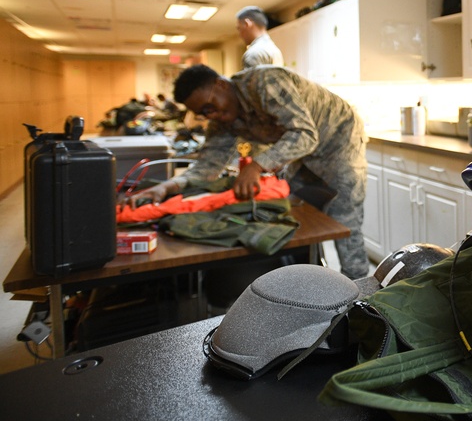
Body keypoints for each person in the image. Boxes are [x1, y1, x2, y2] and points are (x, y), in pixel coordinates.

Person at [125, 64, 369, 279]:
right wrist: (167, 186)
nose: (211, 116)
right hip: (304, 153)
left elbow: (305, 134)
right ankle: (304, 279)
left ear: (221, 84)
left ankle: (359, 290)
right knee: (291, 212)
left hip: (340, 140)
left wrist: (256, 165)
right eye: (203, 114)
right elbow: (206, 168)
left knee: (343, 216)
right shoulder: (222, 120)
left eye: (210, 106)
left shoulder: (264, 82)